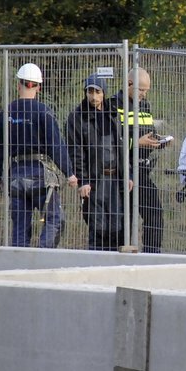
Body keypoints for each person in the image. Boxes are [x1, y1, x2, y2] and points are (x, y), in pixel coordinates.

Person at [0, 62, 77, 247]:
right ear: (39, 86)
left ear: (18, 85)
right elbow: (55, 145)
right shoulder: (43, 112)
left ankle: (18, 267)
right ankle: (43, 257)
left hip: (15, 177)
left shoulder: (7, 112)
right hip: (40, 174)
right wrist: (69, 172)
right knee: (54, 219)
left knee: (20, 227)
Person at [105, 68, 173, 253]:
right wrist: (136, 143)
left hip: (142, 170)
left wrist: (159, 141)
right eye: (141, 89)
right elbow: (111, 142)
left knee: (155, 214)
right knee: (123, 221)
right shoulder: (112, 106)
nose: (144, 94)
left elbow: (146, 133)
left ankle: (152, 256)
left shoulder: (144, 106)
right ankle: (119, 258)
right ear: (129, 84)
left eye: (146, 90)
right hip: (121, 172)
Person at [65, 72, 125, 250]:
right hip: (95, 181)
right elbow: (75, 152)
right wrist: (83, 181)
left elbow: (121, 148)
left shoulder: (113, 114)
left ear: (104, 92)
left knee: (117, 227)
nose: (93, 96)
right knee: (97, 227)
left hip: (115, 180)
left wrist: (126, 175)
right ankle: (95, 265)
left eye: (97, 92)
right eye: (90, 91)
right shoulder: (77, 117)